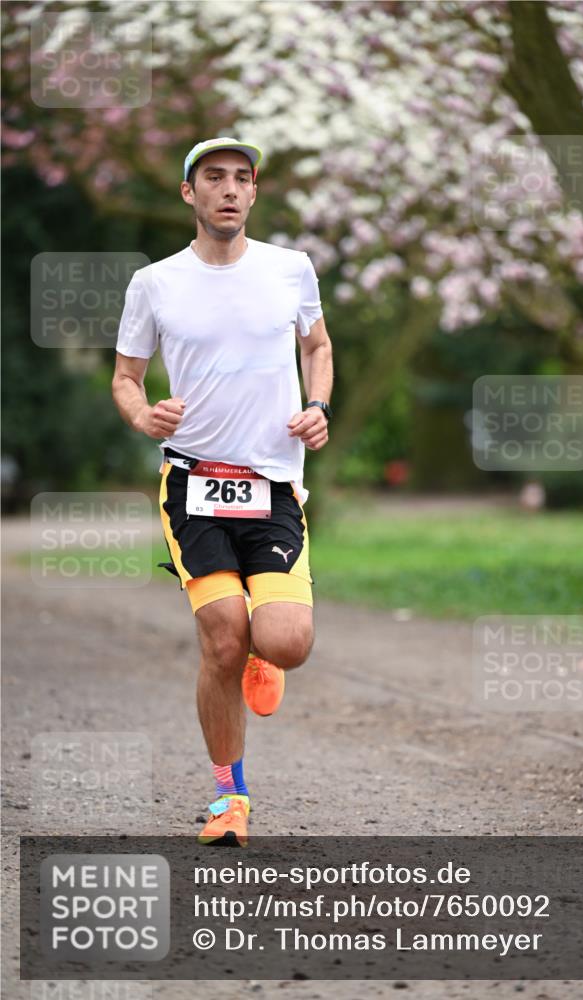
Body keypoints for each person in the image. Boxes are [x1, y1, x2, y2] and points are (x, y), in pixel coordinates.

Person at [112, 137, 333, 846]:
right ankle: (227, 798)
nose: (229, 189)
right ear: (190, 194)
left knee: (284, 641)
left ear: (253, 194)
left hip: (272, 483)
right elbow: (125, 376)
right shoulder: (155, 283)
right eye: (214, 178)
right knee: (220, 639)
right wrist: (143, 413)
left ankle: (264, 653)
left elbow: (317, 346)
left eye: (242, 178)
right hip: (193, 483)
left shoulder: (290, 269)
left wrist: (319, 406)